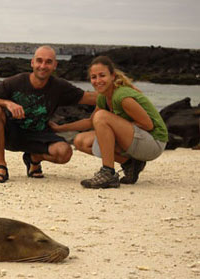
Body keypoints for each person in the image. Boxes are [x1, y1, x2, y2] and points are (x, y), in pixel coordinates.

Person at [0, 45, 96, 183]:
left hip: (39, 135)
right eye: (39, 61)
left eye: (48, 62)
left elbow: (91, 98)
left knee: (65, 153)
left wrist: (118, 90)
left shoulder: (59, 86)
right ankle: (1, 166)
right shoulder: (17, 81)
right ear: (32, 63)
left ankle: (34, 158)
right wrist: (7, 103)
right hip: (11, 134)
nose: (43, 66)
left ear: (55, 65)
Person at [54, 56, 168, 189]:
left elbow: (148, 125)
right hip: (137, 140)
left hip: (154, 143)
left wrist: (117, 130)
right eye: (93, 77)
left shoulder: (122, 97)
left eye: (102, 75)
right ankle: (131, 164)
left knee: (102, 117)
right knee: (80, 141)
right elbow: (91, 121)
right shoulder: (103, 97)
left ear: (113, 76)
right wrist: (60, 128)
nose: (97, 81)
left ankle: (108, 172)